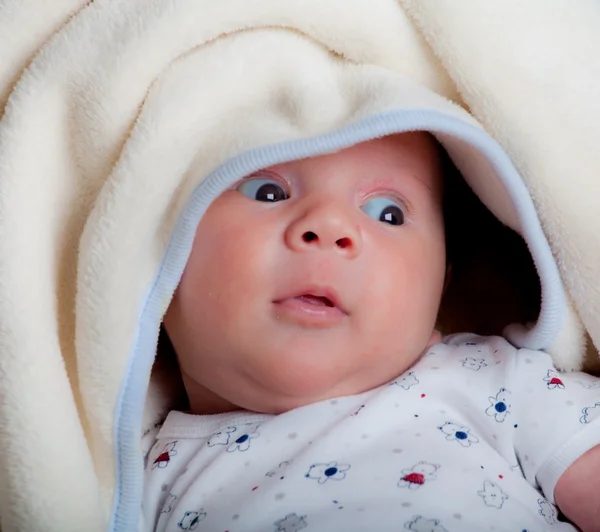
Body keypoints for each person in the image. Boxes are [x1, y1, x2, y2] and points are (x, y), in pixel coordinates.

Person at [141, 133, 600, 531]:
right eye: (266, 191)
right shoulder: (132, 480)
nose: (329, 225)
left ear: (437, 294)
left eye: (388, 213)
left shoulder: (493, 379)